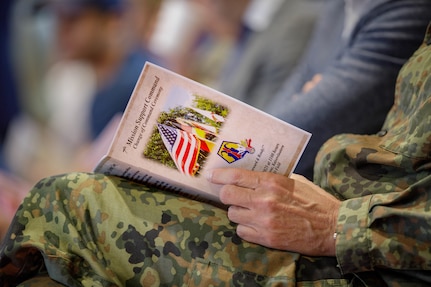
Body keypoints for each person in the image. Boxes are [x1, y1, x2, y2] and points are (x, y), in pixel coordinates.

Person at [1, 20, 431, 286]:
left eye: (73, 19)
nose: (61, 32)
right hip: (335, 205)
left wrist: (336, 225)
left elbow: (309, 115)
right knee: (64, 220)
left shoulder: (297, 23)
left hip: (363, 255)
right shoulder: (338, 13)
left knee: (63, 204)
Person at [262, 0, 431, 180]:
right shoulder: (338, 6)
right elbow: (301, 77)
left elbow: (295, 133)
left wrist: (306, 97)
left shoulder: (406, 9)